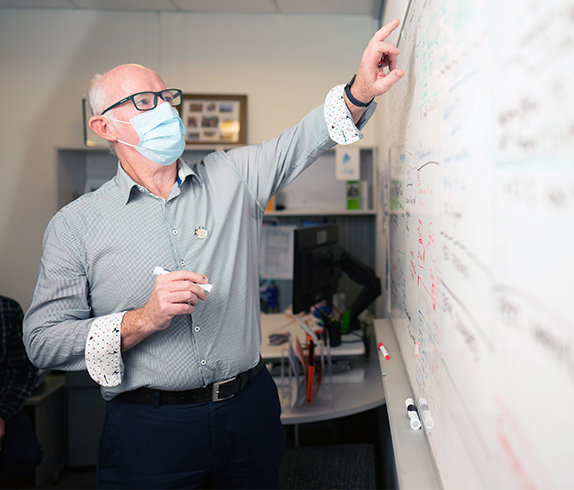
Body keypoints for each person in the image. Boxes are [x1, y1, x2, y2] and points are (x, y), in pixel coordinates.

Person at [23, 18, 404, 489]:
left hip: (248, 413)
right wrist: (141, 319)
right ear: (104, 126)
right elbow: (41, 340)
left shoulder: (232, 176)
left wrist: (361, 89)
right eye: (145, 101)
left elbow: (303, 140)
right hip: (149, 430)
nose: (164, 108)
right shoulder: (75, 224)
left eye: (167, 98)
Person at [0, 295, 42, 487]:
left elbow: (21, 371)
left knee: (26, 455)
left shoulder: (7, 309)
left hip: (3, 404)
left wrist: (2, 415)